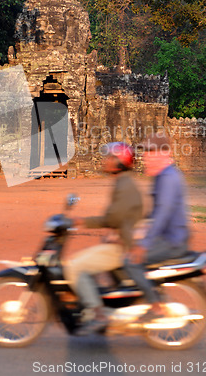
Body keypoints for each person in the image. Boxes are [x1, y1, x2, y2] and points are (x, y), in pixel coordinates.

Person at [64, 142, 144, 334]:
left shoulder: (125, 185)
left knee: (74, 266)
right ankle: (93, 301)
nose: (105, 160)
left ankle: (97, 313)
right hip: (121, 241)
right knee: (87, 261)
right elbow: (118, 219)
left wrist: (83, 221)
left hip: (123, 247)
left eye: (110, 157)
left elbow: (112, 218)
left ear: (119, 163)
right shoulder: (123, 183)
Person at [125, 132, 190, 322]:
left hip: (172, 241)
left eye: (150, 152)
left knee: (130, 262)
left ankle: (155, 306)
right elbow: (153, 216)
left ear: (165, 153)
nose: (145, 156)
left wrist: (143, 244)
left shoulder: (169, 178)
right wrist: (133, 233)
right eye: (145, 152)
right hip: (166, 236)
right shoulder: (162, 176)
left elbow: (162, 214)